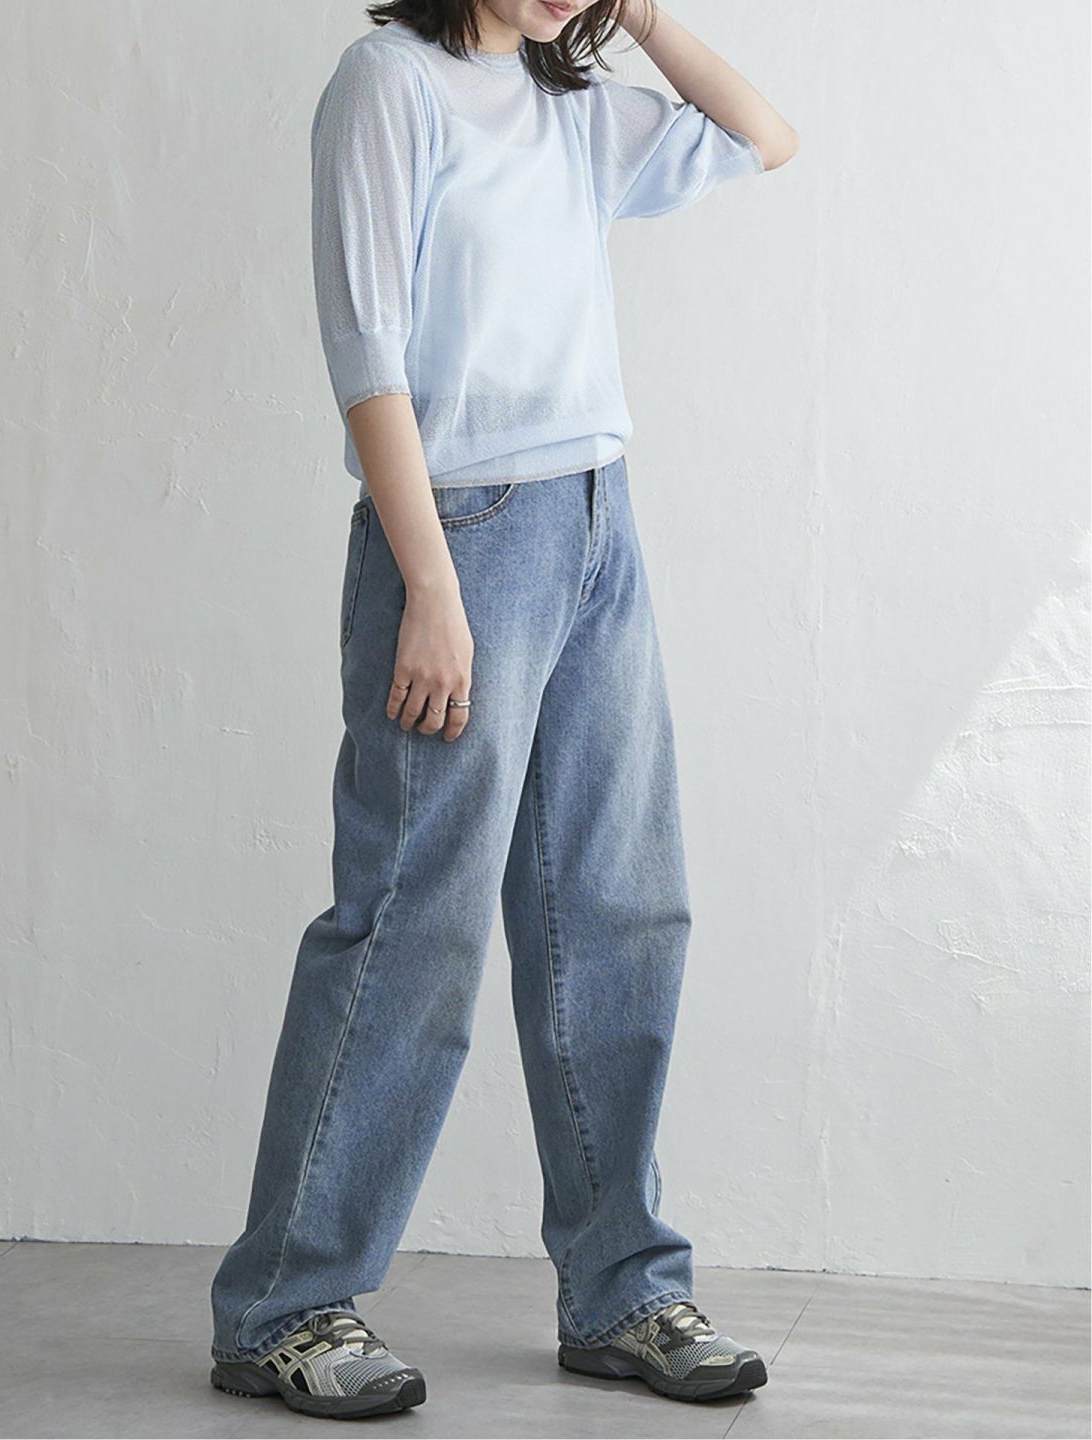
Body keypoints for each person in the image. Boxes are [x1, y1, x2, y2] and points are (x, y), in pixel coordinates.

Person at [208, 0, 798, 1420]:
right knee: (411, 922)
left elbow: (764, 137)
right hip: (461, 535)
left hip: (598, 522)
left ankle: (625, 1290)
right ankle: (283, 1305)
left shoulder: (567, 105)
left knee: (620, 914)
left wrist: (639, 16)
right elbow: (367, 349)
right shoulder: (387, 86)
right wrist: (428, 582)